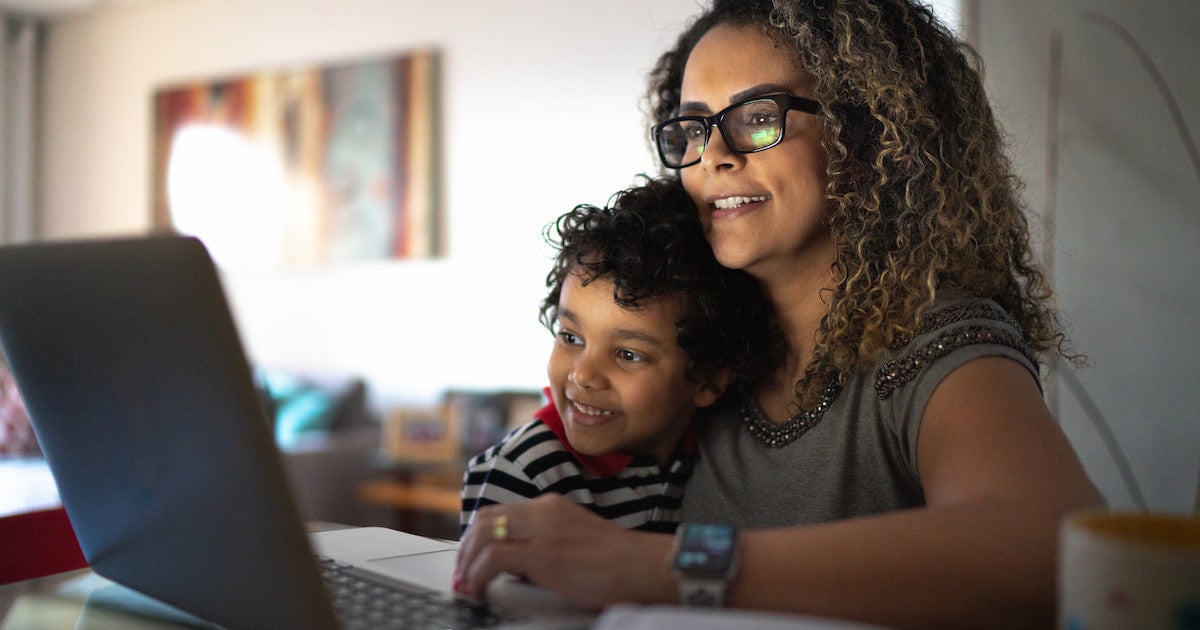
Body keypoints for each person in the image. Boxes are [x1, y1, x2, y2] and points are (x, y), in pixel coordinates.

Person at [455, 1, 1102, 628]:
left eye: (758, 116)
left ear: (869, 132)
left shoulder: (933, 342)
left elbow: (1050, 554)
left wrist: (664, 566)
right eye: (693, 127)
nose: (714, 156)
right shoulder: (703, 344)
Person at [459, 177, 781, 536]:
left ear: (708, 379)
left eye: (628, 354)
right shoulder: (523, 474)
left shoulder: (712, 455)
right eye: (570, 337)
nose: (583, 375)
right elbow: (489, 587)